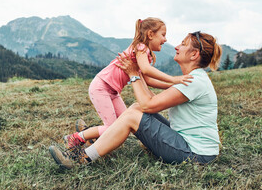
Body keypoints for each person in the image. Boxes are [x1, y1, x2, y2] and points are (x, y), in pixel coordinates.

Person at [50, 31, 222, 168]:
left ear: (194, 55)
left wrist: (133, 74)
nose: (177, 46)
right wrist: (138, 73)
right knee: (135, 108)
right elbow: (149, 102)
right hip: (188, 143)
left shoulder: (193, 82)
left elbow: (148, 105)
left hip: (196, 154)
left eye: (183, 44)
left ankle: (82, 158)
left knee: (134, 114)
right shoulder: (194, 79)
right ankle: (89, 137)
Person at [64, 18, 193, 150]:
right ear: (150, 34)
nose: (165, 40)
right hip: (101, 87)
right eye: (163, 35)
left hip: (113, 91)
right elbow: (148, 70)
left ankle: (90, 138)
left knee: (122, 122)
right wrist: (173, 79)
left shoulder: (144, 53)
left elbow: (148, 80)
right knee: (112, 128)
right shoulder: (141, 47)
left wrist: (171, 86)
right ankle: (76, 137)